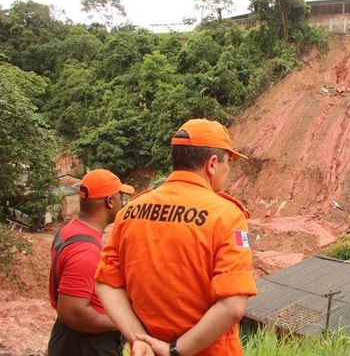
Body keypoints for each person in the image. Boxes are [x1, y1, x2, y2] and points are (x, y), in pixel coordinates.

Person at [95, 118, 258, 356]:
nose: (228, 170)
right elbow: (233, 306)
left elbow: (106, 283)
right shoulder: (227, 215)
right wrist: (174, 351)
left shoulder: (131, 210)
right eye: (228, 162)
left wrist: (138, 339)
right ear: (212, 163)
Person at [48, 169, 135, 356]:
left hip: (71, 339)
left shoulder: (70, 230)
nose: (123, 202)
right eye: (121, 197)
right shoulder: (86, 251)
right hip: (85, 344)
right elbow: (72, 312)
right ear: (110, 201)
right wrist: (119, 322)